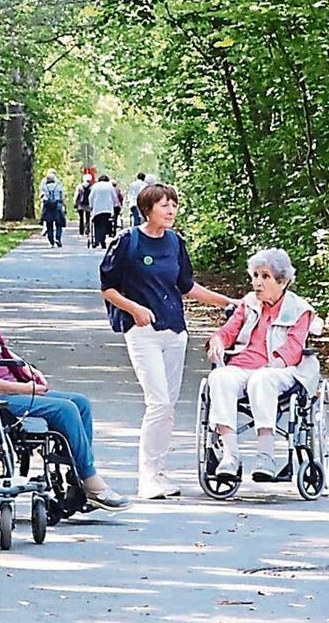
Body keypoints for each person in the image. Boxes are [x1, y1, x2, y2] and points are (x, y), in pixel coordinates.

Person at [0, 257, 131, 511]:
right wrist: (26, 389)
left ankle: (78, 480)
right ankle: (91, 481)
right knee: (64, 409)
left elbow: (0, 352)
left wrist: (27, 370)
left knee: (80, 402)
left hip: (10, 392)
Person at [100, 183, 237, 499]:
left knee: (169, 406)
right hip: (142, 332)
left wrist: (228, 301)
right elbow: (108, 287)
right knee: (158, 402)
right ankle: (146, 477)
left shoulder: (175, 243)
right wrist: (134, 309)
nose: (171, 210)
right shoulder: (127, 242)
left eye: (174, 204)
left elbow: (187, 286)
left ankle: (160, 473)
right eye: (164, 205)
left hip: (175, 331)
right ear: (147, 209)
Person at [203, 248, 321, 483]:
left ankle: (266, 455)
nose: (257, 282)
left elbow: (294, 346)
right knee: (220, 377)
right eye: (255, 275)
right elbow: (229, 331)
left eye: (265, 276)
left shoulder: (299, 309)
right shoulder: (248, 304)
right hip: (243, 366)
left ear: (283, 281)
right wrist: (217, 340)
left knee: (262, 379)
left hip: (284, 371)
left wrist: (271, 365)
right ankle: (230, 455)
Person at [88, 173, 120, 248]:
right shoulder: (109, 186)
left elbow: (91, 197)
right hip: (107, 209)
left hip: (97, 209)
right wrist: (116, 205)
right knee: (104, 224)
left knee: (97, 224)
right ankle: (102, 240)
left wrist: (91, 206)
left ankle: (97, 240)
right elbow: (114, 196)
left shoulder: (95, 186)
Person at [40, 171, 67, 247]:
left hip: (47, 206)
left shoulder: (44, 187)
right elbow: (62, 196)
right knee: (59, 224)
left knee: (49, 225)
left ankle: (51, 241)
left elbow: (41, 196)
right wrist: (64, 205)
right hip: (57, 205)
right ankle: (58, 238)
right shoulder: (58, 186)